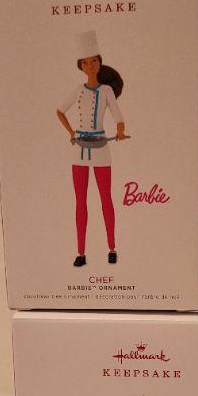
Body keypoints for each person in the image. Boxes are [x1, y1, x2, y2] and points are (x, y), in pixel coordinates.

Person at [56, 30, 126, 267]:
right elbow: (59, 111)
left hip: (101, 148)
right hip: (79, 150)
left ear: (99, 62)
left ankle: (111, 247)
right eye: (85, 62)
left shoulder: (106, 91)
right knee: (80, 201)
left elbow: (118, 117)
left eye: (93, 61)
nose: (90, 66)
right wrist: (71, 132)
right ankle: (81, 252)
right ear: (81, 66)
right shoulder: (78, 90)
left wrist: (119, 130)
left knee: (106, 198)